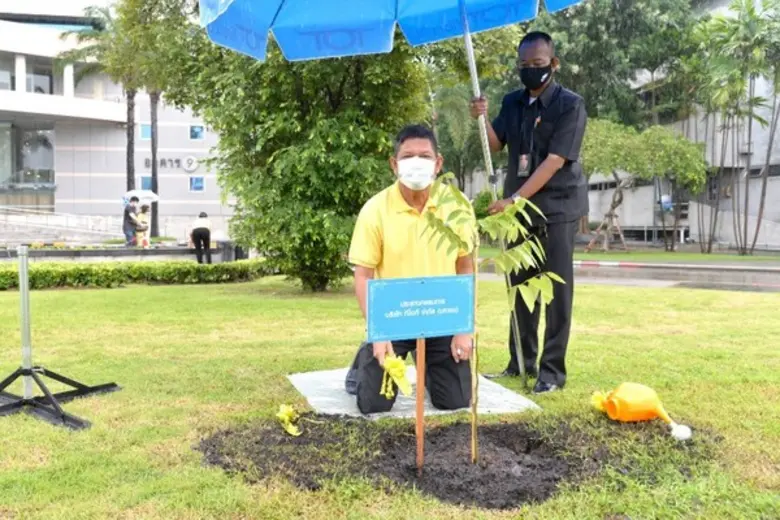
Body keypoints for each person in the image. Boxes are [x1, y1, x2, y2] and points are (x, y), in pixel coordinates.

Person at [470, 31, 588, 394]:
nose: (530, 71)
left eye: (537, 65)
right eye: (524, 65)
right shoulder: (513, 102)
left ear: (553, 64)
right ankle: (519, 361)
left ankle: (551, 372)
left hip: (555, 209)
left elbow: (554, 161)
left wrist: (515, 200)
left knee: (553, 290)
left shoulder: (570, 105)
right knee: (520, 288)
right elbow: (496, 142)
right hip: (518, 212)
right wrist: (482, 119)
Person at [347, 124, 475, 414]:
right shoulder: (375, 210)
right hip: (393, 318)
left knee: (454, 400)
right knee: (373, 403)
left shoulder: (458, 208)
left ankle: (430, 366)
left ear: (438, 163)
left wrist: (464, 328)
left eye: (425, 156)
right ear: (394, 164)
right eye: (408, 156)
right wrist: (378, 332)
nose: (416, 162)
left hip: (441, 315)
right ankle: (362, 363)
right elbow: (363, 275)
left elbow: (465, 267)